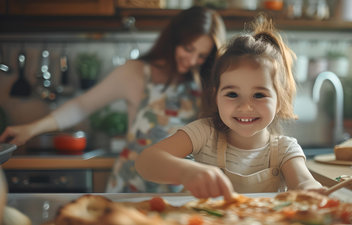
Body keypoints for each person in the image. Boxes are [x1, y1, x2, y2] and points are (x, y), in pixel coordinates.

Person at [0, 6, 227, 193]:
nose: (191, 60)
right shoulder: (136, 72)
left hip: (181, 188)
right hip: (133, 185)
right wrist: (31, 129)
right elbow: (80, 106)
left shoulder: (204, 85)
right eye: (188, 49)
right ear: (174, 39)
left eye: (201, 56)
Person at [135, 16, 323, 201]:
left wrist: (312, 189)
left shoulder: (284, 150)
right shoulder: (204, 132)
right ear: (216, 97)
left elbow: (304, 183)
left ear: (279, 101)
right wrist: (186, 172)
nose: (245, 106)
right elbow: (146, 162)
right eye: (232, 94)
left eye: (259, 95)